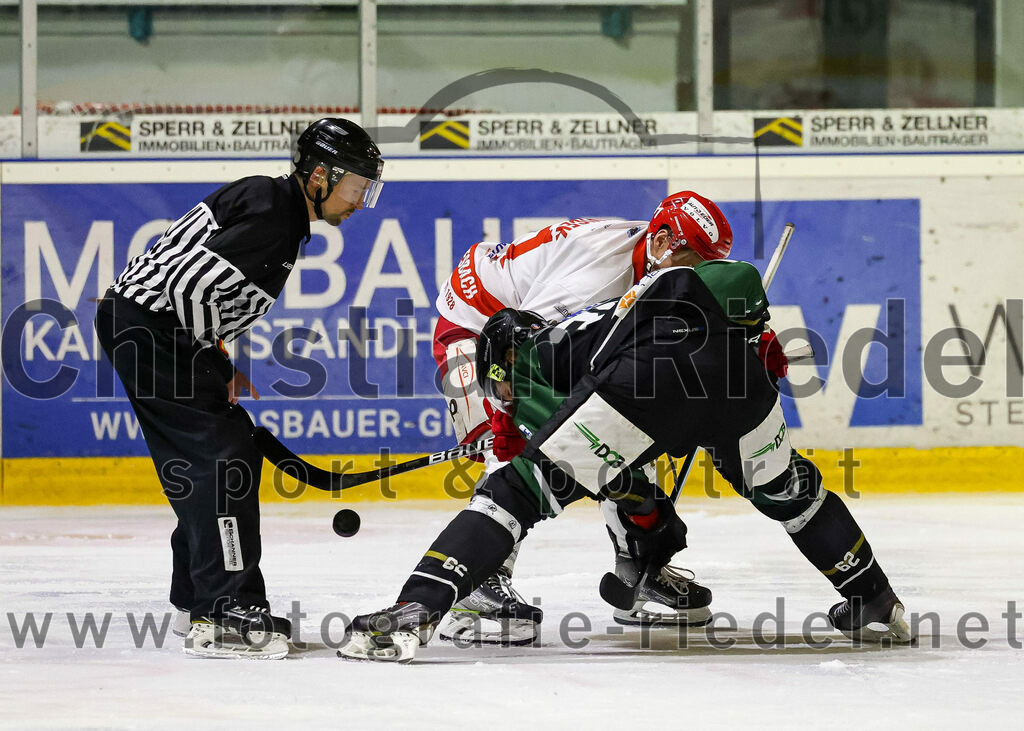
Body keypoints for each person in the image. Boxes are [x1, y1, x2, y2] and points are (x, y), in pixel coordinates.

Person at [339, 258, 914, 663]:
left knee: (512, 496)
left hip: (652, 379)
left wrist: (641, 514)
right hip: (741, 381)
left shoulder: (541, 349)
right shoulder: (620, 312)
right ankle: (876, 602)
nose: (504, 394)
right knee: (796, 495)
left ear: (507, 353)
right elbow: (739, 303)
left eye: (500, 380)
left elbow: (577, 461)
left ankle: (414, 611)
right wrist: (756, 348)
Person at [94, 118, 384, 659]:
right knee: (222, 458)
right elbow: (186, 287)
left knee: (220, 454)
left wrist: (215, 361)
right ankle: (223, 611)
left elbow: (188, 282)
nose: (361, 200)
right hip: (154, 331)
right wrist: (208, 354)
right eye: (357, 185)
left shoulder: (277, 206)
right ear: (320, 175)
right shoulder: (275, 216)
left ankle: (198, 599)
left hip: (149, 328)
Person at [431, 192, 739, 643]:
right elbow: (516, 354)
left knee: (624, 432)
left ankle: (641, 573)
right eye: (693, 259)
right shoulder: (599, 275)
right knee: (515, 452)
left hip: (533, 332)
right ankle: (476, 586)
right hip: (477, 324)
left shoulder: (658, 271)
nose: (699, 274)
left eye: (707, 263)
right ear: (664, 240)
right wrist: (510, 427)